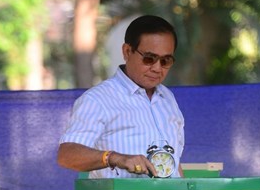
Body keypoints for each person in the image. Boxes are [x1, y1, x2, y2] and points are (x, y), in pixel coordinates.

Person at [57, 15, 184, 178]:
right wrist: (115, 158)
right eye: (149, 59)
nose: (157, 68)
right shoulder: (98, 100)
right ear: (127, 51)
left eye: (165, 61)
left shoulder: (168, 99)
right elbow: (66, 155)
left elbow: (174, 161)